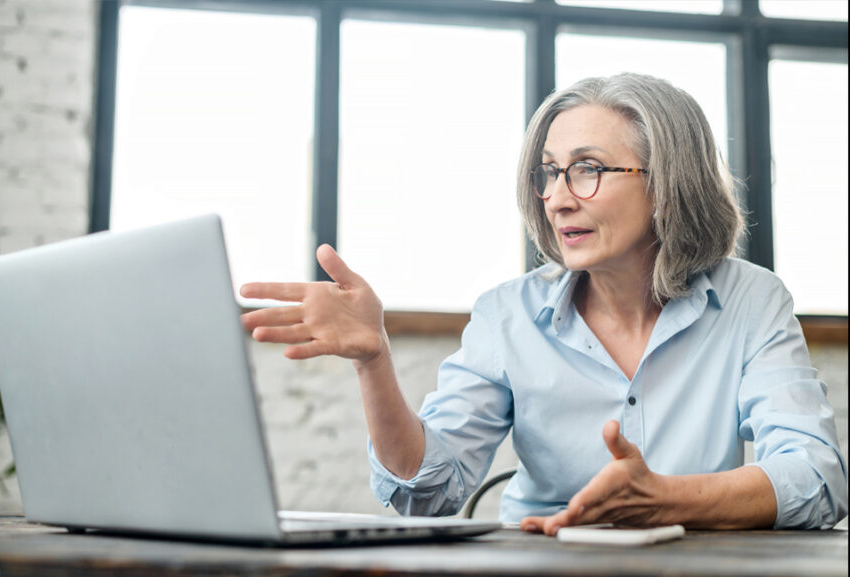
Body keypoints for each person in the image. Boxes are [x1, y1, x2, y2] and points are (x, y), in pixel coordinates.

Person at [237, 73, 845, 532]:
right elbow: (425, 493)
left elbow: (817, 477)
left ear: (667, 184)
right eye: (549, 173)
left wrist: (668, 499)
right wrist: (375, 361)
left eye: (586, 170)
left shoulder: (751, 301)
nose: (556, 199)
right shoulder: (507, 314)